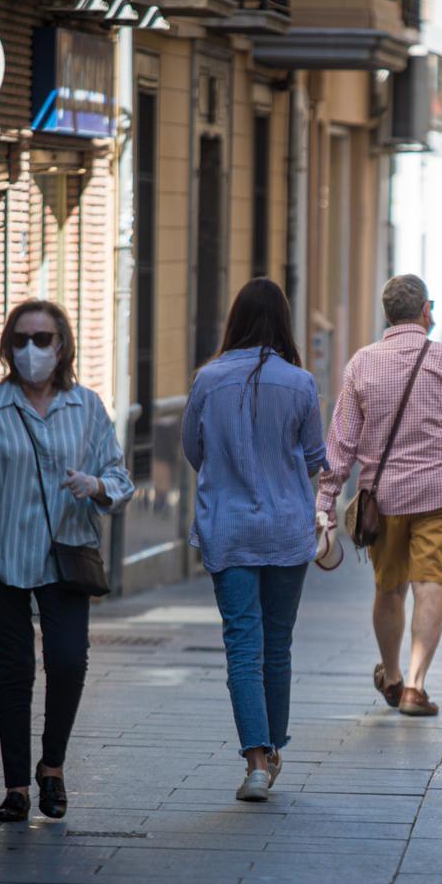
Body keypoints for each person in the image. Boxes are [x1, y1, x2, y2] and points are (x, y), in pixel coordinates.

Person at [0, 300, 132, 823]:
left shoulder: (87, 407)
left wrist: (95, 486)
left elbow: (121, 479)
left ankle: (53, 766)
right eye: (21, 340)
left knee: (68, 662)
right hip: (1, 558)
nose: (31, 350)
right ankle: (17, 787)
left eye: (42, 339)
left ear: (62, 346)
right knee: (14, 669)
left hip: (65, 557)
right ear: (8, 347)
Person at [319, 274, 442, 718]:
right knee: (430, 584)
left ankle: (394, 674)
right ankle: (416, 687)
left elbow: (341, 441)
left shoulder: (361, 363)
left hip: (382, 499)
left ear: (387, 314)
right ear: (426, 311)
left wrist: (325, 501)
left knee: (389, 588)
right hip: (441, 494)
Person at [183, 279, 325, 803]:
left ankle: (257, 763)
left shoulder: (207, 379)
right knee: (277, 644)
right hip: (287, 529)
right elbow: (315, 457)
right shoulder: (301, 383)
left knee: (243, 644)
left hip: (228, 527)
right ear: (284, 322)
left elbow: (193, 449)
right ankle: (276, 747)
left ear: (235, 320)